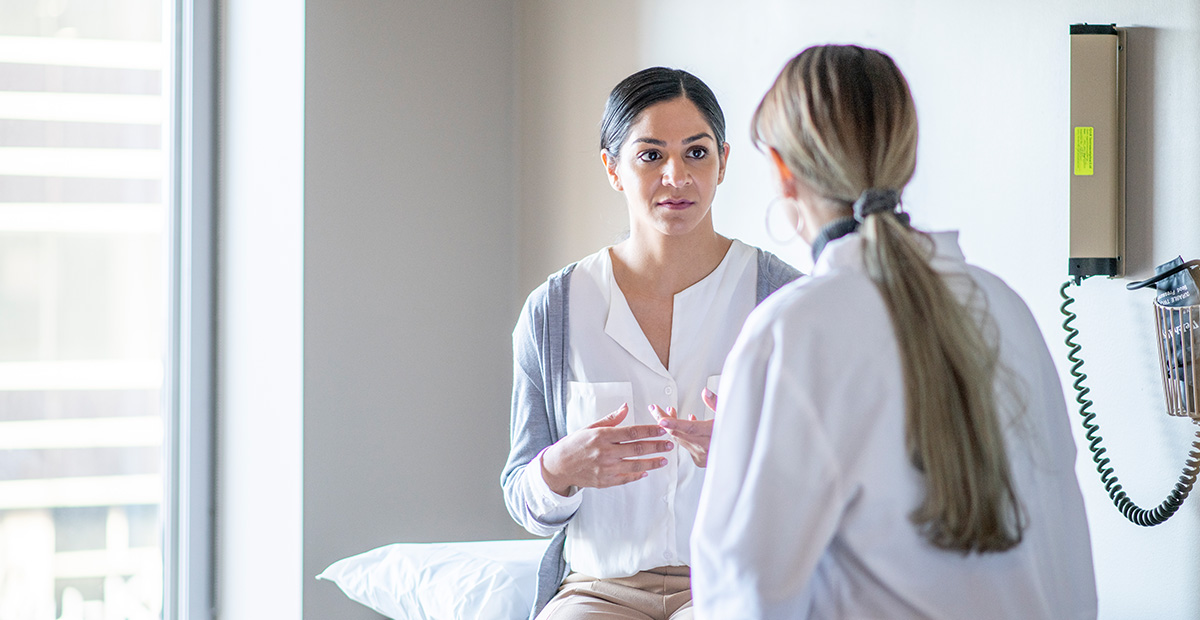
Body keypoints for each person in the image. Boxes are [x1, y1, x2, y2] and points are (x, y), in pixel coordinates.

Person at [691, 45, 1098, 619]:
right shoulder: (1003, 306)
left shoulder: (794, 331)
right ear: (904, 158)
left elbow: (741, 597)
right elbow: (1064, 555)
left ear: (784, 172)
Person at [501, 67, 802, 620]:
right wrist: (560, 469)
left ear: (724, 161)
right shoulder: (555, 311)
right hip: (597, 590)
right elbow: (523, 496)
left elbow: (828, 481)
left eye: (696, 153)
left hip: (731, 586)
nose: (676, 177)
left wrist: (754, 460)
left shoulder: (781, 297)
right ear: (612, 168)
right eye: (650, 155)